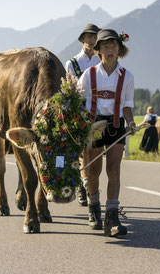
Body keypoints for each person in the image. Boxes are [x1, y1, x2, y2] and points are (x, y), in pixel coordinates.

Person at [78, 28, 136, 237]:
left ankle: (112, 217)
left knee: (114, 169)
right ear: (99, 51)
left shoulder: (127, 76)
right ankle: (94, 210)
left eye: (114, 46)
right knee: (93, 171)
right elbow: (77, 102)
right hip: (93, 125)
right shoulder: (88, 75)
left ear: (119, 50)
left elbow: (127, 105)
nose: (110, 50)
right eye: (106, 46)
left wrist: (130, 123)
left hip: (116, 124)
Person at [65, 23, 101, 207]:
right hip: (79, 111)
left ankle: (90, 185)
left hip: (99, 111)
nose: (92, 40)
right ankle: (82, 185)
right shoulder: (72, 63)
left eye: (95, 37)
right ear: (82, 40)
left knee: (95, 150)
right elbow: (69, 90)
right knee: (81, 151)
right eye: (89, 37)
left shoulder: (101, 61)